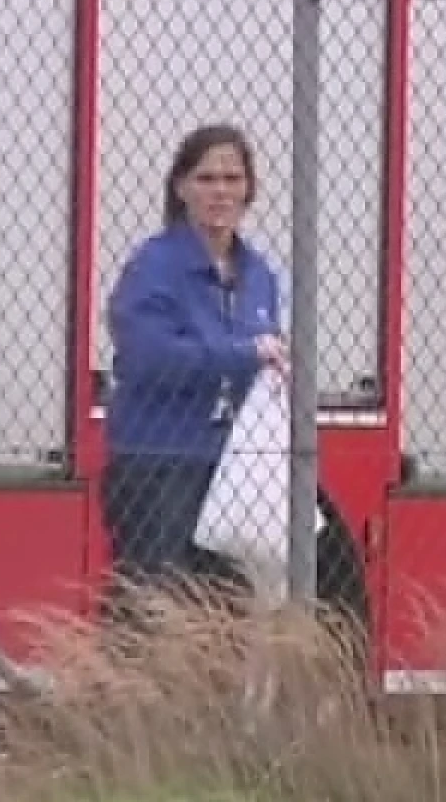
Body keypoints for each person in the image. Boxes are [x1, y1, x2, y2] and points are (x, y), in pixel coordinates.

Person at [102, 123, 288, 628]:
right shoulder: (153, 267)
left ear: (250, 189)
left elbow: (262, 359)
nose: (220, 190)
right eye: (206, 178)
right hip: (162, 466)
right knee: (152, 613)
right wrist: (242, 355)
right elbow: (148, 358)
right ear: (181, 187)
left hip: (232, 471)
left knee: (225, 614)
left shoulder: (260, 276)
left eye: (232, 177)